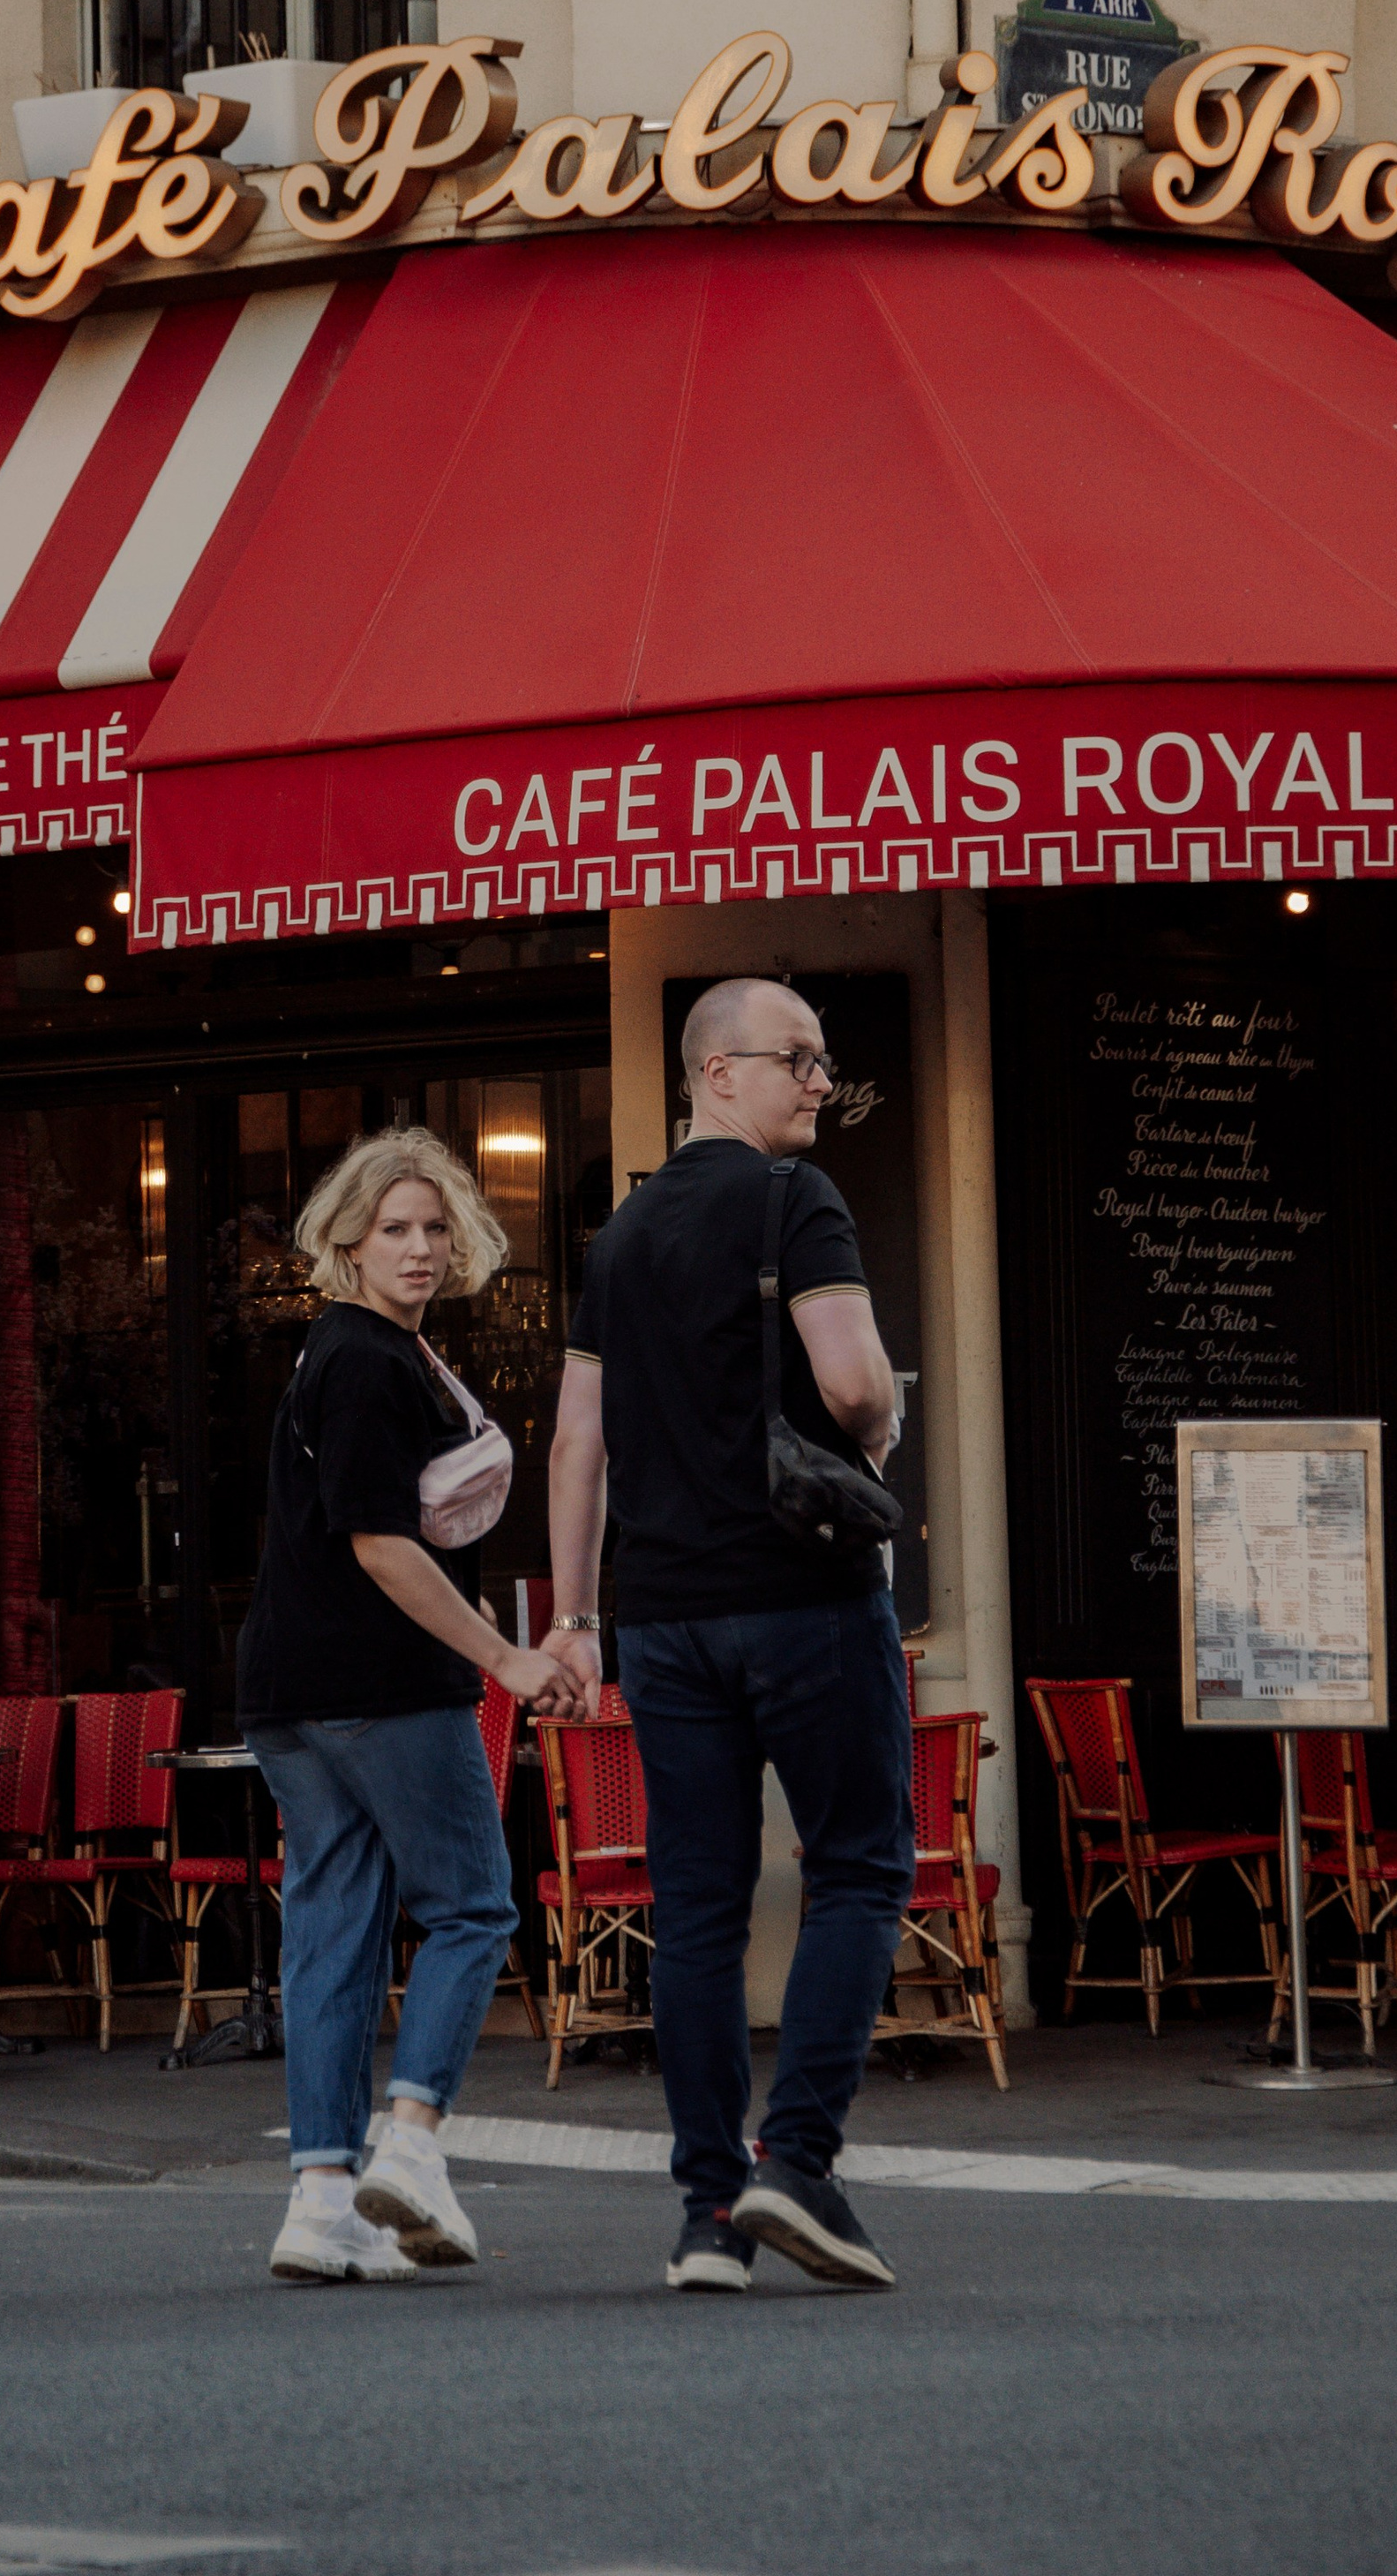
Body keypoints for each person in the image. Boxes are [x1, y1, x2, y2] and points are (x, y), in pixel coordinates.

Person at [545, 975, 913, 2296]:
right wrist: (874, 1442)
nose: (819, 1082)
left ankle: (708, 2216)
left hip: (667, 1621)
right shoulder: (793, 1201)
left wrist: (578, 1618)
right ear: (715, 1073)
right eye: (796, 1059)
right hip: (806, 1594)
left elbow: (577, 1441)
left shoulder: (620, 1235)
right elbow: (855, 1377)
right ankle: (797, 2163)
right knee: (861, 1866)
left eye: (822, 1058)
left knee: (696, 1907)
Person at [238, 1122, 582, 2286]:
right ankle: (416, 2139)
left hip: (290, 1694)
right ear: (346, 1242)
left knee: (333, 1929)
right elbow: (381, 1545)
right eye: (395, 1230)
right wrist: (510, 1659)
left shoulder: (340, 1355)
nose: (421, 1248)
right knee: (476, 1909)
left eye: (438, 1228)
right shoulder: (371, 1364)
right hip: (381, 1689)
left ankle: (321, 2200)